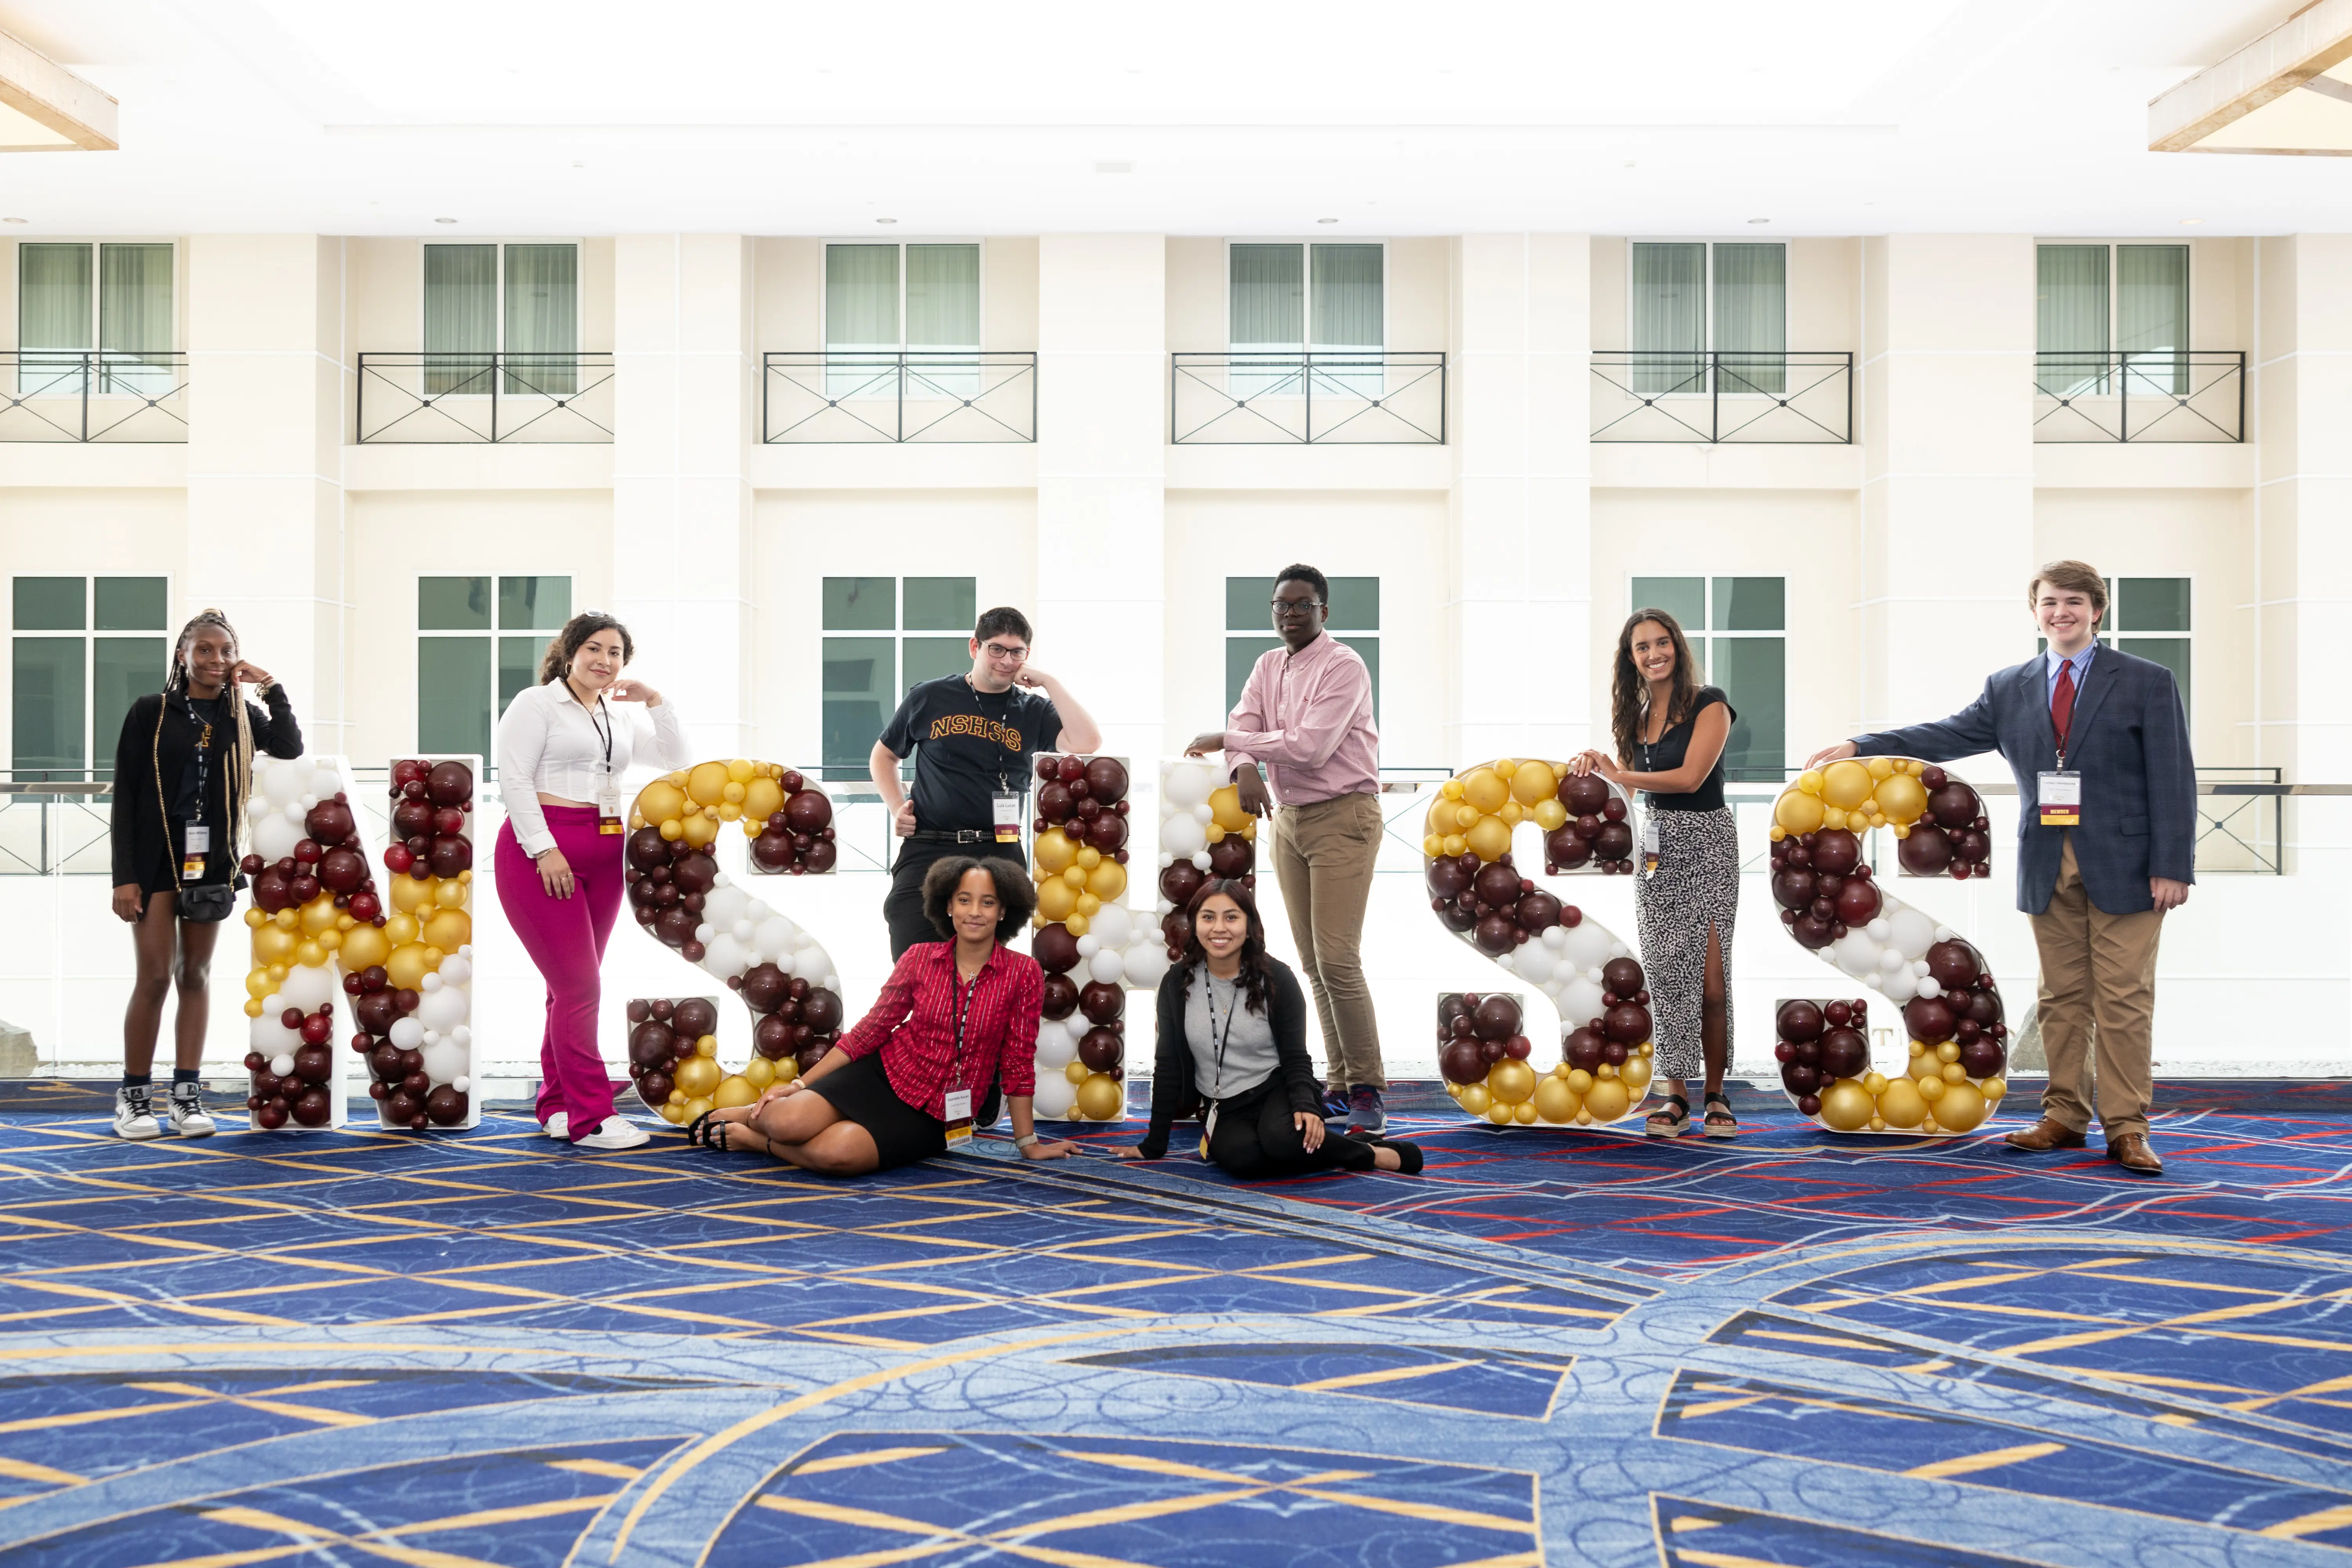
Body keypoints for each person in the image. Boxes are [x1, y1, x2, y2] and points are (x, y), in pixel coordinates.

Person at [1806, 560, 2194, 1176]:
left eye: (2073, 602)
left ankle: (2126, 1128)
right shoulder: (2010, 685)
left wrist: (2173, 865)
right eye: (2048, 603)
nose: (2060, 612)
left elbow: (2174, 775)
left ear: (2098, 610)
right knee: (2061, 997)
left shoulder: (2146, 680)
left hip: (2130, 863)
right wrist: (1863, 746)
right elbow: (1948, 734)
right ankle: (2065, 1116)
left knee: (2122, 998)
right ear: (2035, 612)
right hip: (2047, 858)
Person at [697, 857, 1080, 1174]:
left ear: (1004, 911)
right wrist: (798, 1086)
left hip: (942, 1112)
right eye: (964, 900)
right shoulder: (918, 958)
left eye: (988, 902)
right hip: (884, 1074)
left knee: (837, 1155)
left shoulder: (1024, 973)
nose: (975, 912)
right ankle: (758, 1114)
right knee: (786, 1122)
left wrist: (1028, 1144)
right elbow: (869, 1033)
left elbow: (1016, 1062)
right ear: (948, 905)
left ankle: (758, 1142)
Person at [1186, 564, 1387, 1135]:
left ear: (1325, 612)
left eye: (1302, 605)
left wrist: (1232, 744)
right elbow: (1243, 722)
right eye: (1281, 605)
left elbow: (1311, 746)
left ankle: (1370, 1086)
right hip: (1290, 820)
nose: (1290, 614)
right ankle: (1343, 1082)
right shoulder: (1267, 665)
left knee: (1339, 957)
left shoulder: (1344, 665)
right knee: (1313, 963)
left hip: (1343, 815)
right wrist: (1245, 764)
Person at [495, 610, 688, 1152]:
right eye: (595, 650)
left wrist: (656, 703)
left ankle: (557, 1104)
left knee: (569, 988)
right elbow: (512, 778)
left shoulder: (616, 714)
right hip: (543, 852)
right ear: (571, 651)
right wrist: (544, 849)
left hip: (606, 854)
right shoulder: (536, 704)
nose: (605, 662)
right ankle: (590, 1117)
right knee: (581, 987)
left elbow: (677, 759)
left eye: (616, 654)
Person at [108, 610, 303, 1140]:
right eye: (205, 650)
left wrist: (269, 685)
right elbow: (125, 793)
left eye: (225, 651)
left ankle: (186, 1098)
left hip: (210, 862)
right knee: (153, 976)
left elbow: (288, 746)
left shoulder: (240, 715)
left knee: (194, 975)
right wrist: (122, 876)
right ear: (183, 655)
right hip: (152, 862)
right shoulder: (150, 711)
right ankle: (133, 1099)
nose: (216, 660)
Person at [1114, 880, 1421, 1177]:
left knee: (1283, 1142)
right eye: (1208, 918)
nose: (1219, 928)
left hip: (1277, 1090)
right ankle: (1330, 1145)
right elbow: (1168, 1064)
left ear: (1249, 926)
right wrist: (1154, 1145)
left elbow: (1296, 1057)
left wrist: (1305, 1104)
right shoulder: (1176, 983)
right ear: (1195, 925)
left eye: (1232, 917)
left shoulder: (1277, 978)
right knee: (1243, 1161)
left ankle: (1370, 1153)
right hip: (1223, 1104)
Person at [1570, 609, 1740, 1139]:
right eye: (1641, 648)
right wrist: (1595, 766)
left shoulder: (1710, 702)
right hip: (1656, 849)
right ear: (1632, 659)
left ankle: (1716, 1092)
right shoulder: (1636, 715)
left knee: (1711, 983)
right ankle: (1677, 1095)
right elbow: (1630, 790)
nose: (1653, 654)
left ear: (1677, 646)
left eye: (1661, 643)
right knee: (1668, 979)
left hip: (1709, 842)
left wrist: (1622, 773)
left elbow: (1691, 779)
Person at [870, 607, 1101, 960]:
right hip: (930, 846)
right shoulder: (930, 697)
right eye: (997, 649)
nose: (1006, 660)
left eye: (1017, 651)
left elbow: (1087, 742)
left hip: (999, 851)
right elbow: (884, 756)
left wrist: (1050, 683)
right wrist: (897, 806)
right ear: (975, 647)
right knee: (913, 959)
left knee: (979, 970)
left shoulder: (1033, 711)